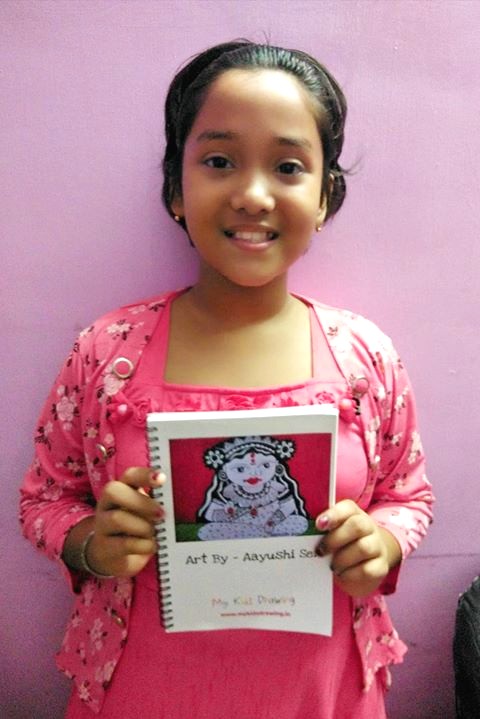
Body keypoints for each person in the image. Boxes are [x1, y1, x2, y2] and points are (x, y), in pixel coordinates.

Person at [20, 40, 434, 718]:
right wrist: (92, 542)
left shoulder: (365, 358)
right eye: (218, 161)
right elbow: (44, 498)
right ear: (175, 189)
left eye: (289, 166)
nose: (252, 195)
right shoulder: (107, 353)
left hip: (321, 693)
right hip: (144, 693)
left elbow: (408, 496)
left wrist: (381, 543)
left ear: (325, 196)